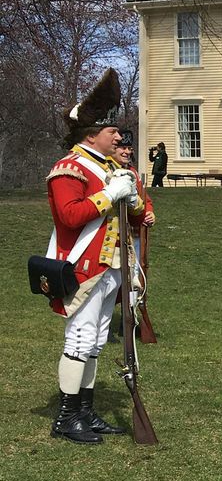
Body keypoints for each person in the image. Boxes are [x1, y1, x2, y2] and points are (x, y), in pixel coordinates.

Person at [44, 68, 148, 443]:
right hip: (84, 266)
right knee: (79, 339)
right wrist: (110, 195)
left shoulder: (111, 167)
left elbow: (134, 218)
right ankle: (66, 418)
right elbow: (70, 216)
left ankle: (85, 413)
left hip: (113, 267)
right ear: (91, 135)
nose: (119, 137)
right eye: (112, 131)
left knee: (96, 340)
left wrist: (132, 199)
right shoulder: (68, 168)